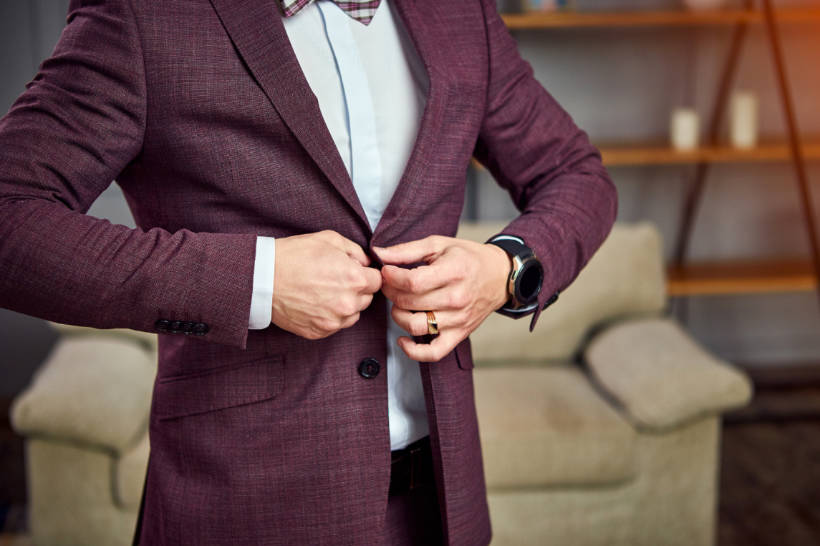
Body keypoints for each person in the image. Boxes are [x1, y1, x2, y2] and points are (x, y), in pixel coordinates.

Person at [0, 0, 617, 544]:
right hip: (249, 506)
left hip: (443, 502)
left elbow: (576, 175)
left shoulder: (461, 11)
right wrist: (258, 282)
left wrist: (504, 268)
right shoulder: (144, 14)